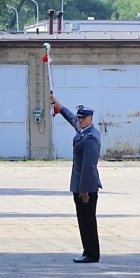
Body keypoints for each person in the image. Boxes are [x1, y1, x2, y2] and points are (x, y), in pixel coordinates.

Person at [50, 96, 102, 262]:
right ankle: (88, 251)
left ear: (91, 119)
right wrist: (58, 105)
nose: (80, 120)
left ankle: (91, 254)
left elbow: (89, 165)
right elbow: (71, 117)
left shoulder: (91, 136)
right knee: (83, 220)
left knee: (87, 220)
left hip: (87, 187)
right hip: (80, 185)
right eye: (79, 117)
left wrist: (83, 188)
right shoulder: (83, 131)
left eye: (83, 118)